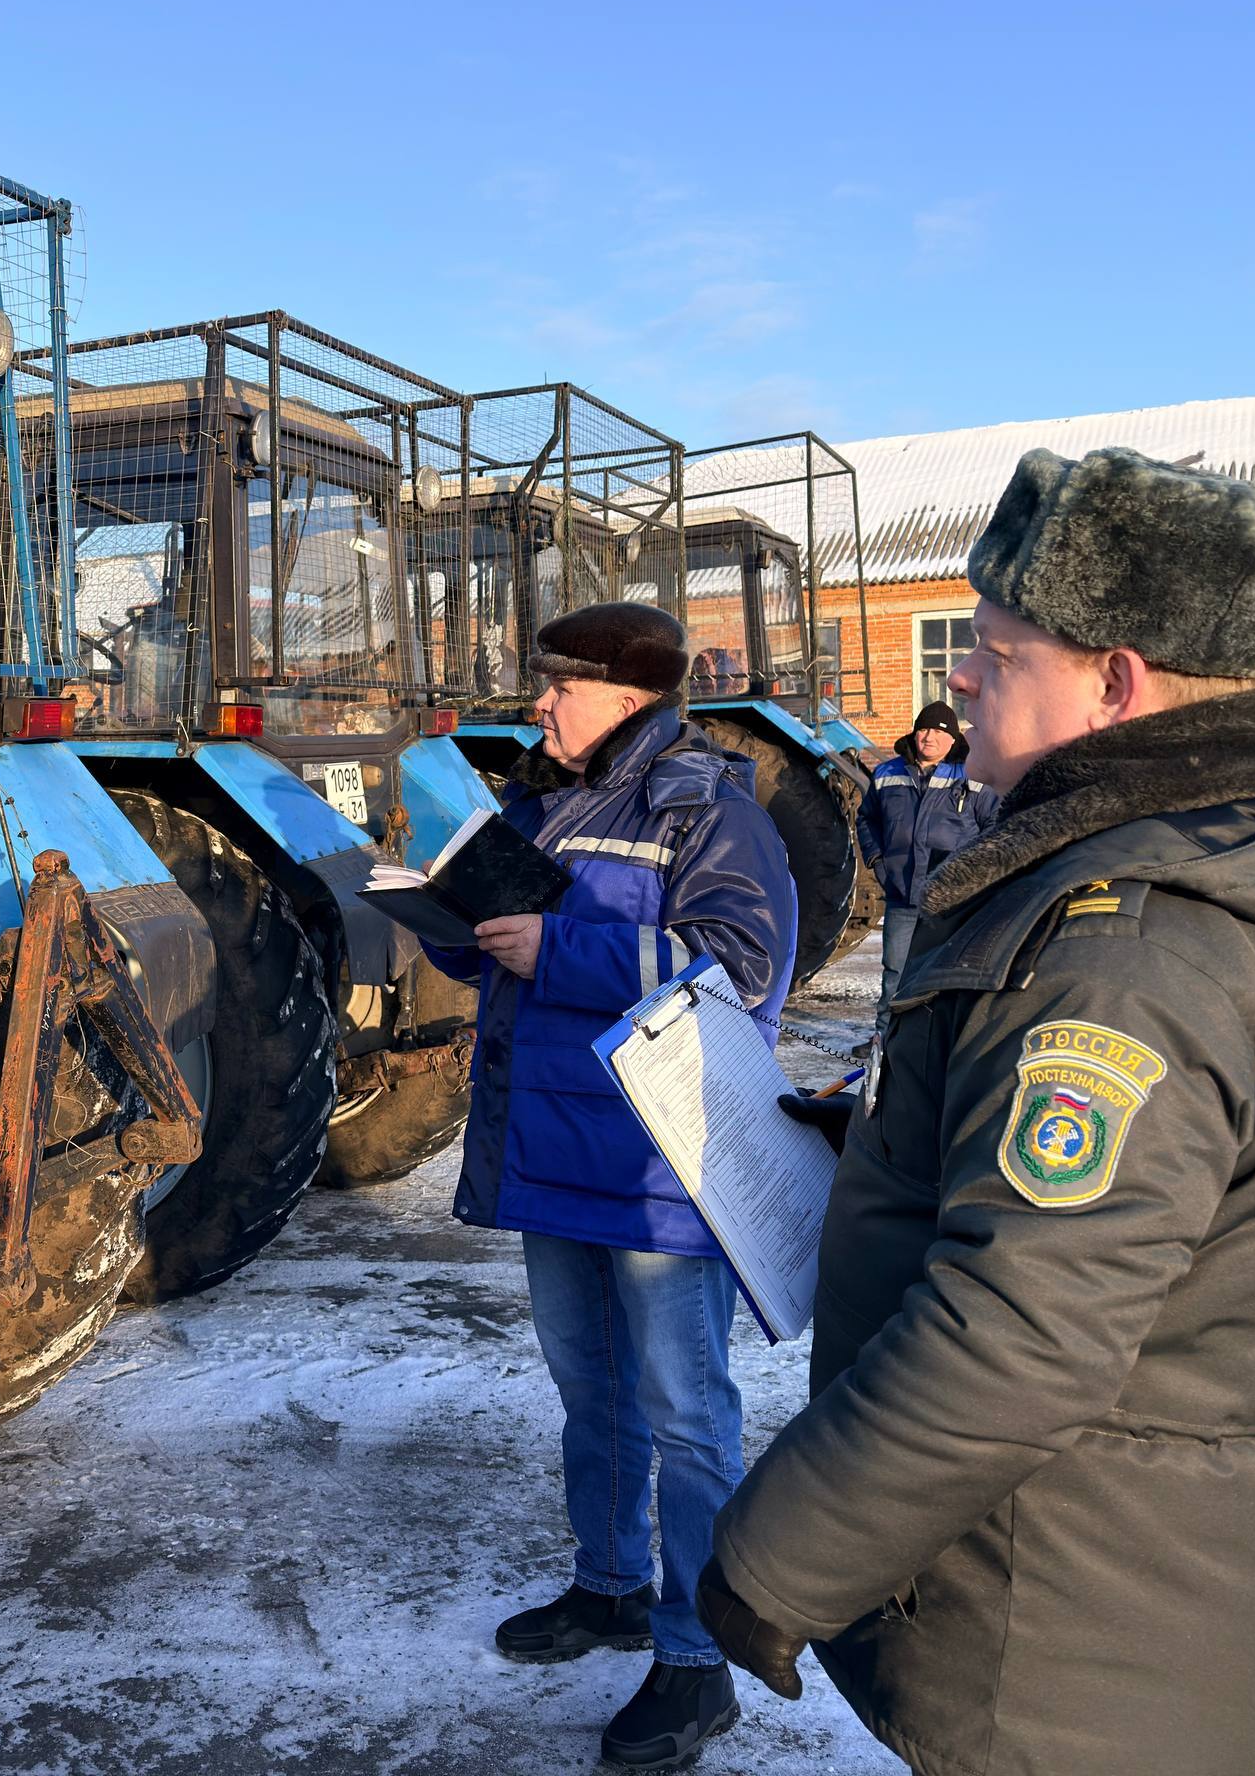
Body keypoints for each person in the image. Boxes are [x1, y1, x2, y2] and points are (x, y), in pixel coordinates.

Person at [697, 448, 1255, 1776]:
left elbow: (1021, 1338)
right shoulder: (1251, 843)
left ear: (1116, 681)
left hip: (1062, 1619)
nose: (958, 676)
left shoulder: (1131, 951)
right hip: (1161, 1572)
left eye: (994, 651)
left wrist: (772, 1564)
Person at [423, 601, 798, 1771]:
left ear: (630, 697)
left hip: (655, 1166)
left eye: (560, 687)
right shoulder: (541, 799)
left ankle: (697, 1663)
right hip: (550, 1157)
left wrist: (559, 949)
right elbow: (503, 941)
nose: (539, 704)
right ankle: (610, 1587)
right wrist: (448, 916)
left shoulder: (707, 808)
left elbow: (742, 970)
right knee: (593, 1395)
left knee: (687, 1416)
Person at [857, 699, 998, 1025]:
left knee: (951, 973)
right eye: (923, 728)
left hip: (954, 900)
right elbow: (867, 819)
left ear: (953, 739)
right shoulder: (887, 773)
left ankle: (944, 1039)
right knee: (895, 971)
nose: (928, 737)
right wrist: (877, 859)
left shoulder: (971, 774)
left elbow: (995, 824)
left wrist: (973, 872)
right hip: (903, 894)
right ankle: (886, 1042)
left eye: (938, 730)